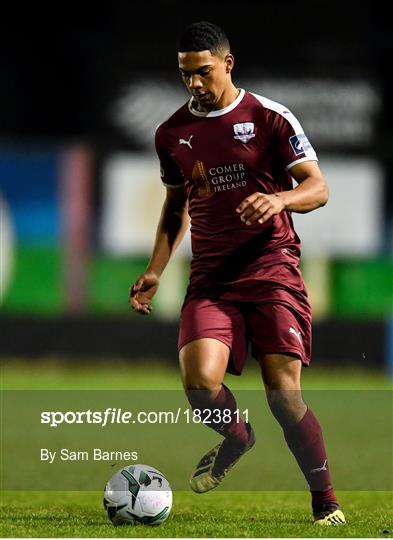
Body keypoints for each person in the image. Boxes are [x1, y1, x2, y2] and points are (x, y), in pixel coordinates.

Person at [129, 21, 345, 526]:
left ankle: (325, 500)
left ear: (227, 63)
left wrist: (279, 199)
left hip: (271, 270)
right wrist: (156, 269)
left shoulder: (269, 117)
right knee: (200, 385)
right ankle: (237, 435)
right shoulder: (172, 134)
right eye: (186, 75)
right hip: (211, 277)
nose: (195, 84)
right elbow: (173, 207)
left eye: (203, 72)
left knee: (283, 394)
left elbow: (318, 188)